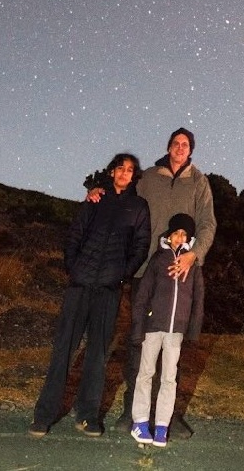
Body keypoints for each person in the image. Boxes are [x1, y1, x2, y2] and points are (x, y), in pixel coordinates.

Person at [87, 127, 216, 429]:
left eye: (185, 144)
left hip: (180, 273)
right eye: (175, 143)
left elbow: (208, 223)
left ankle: (170, 415)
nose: (180, 148)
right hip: (146, 269)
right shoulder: (147, 177)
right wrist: (98, 190)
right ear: (169, 147)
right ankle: (134, 409)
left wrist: (193, 254)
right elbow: (122, 190)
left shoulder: (199, 182)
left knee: (174, 345)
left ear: (191, 149)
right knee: (140, 340)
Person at [29, 153, 151, 438]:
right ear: (112, 172)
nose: (124, 173)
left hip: (109, 290)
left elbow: (141, 245)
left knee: (97, 354)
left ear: (134, 176)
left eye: (130, 170)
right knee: (63, 351)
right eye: (120, 168)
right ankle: (44, 415)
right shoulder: (95, 200)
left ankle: (87, 416)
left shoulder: (138, 207)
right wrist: (73, 268)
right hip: (80, 285)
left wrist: (121, 274)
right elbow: (75, 235)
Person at [130, 212, 204, 447]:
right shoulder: (158, 259)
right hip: (153, 327)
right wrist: (138, 325)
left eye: (184, 235)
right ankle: (140, 422)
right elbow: (143, 294)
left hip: (176, 331)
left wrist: (193, 329)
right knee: (146, 373)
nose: (180, 238)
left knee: (169, 378)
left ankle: (162, 425)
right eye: (176, 233)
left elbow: (198, 298)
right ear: (169, 235)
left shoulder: (194, 265)